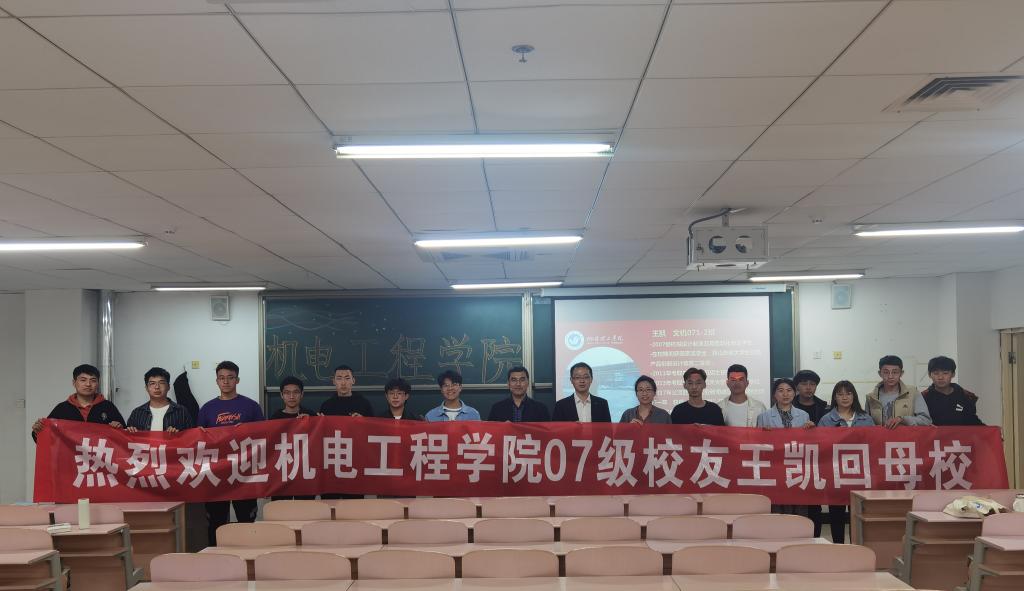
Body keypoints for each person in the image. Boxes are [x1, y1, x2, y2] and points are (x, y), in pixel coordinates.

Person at [197, 361, 264, 547]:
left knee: (246, 520)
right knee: (216, 522)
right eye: (221, 378)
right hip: (216, 473)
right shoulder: (207, 409)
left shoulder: (251, 406)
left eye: (230, 377)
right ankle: (216, 557)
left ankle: (248, 556)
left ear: (238, 380)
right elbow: (198, 441)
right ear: (216, 381)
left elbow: (264, 436)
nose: (226, 382)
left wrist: (248, 430)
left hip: (244, 472)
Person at [817, 381, 874, 543]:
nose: (844, 397)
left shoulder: (866, 419)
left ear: (854, 396)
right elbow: (821, 446)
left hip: (860, 473)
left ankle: (857, 547)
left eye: (848, 393)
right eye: (840, 394)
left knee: (858, 514)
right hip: (835, 473)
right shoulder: (826, 420)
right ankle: (838, 548)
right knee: (836, 514)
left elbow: (874, 445)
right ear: (834, 397)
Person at [31, 364, 125, 441]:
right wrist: (38, 431)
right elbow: (47, 437)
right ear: (74, 383)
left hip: (99, 458)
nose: (88, 384)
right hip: (70, 458)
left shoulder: (108, 407)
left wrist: (119, 427)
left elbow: (124, 437)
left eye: (93, 380)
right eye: (83, 380)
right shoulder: (62, 409)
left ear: (98, 383)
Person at [866, 355, 932, 428]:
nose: (890, 376)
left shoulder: (913, 392)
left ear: (901, 373)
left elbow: (926, 420)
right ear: (880, 373)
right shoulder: (871, 398)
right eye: (886, 372)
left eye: (895, 372)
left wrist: (903, 420)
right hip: (880, 435)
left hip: (906, 435)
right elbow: (866, 424)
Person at [125, 367, 194, 432]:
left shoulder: (181, 412)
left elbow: (190, 437)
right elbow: (128, 437)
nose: (157, 387)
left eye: (161, 383)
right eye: (152, 383)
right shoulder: (137, 413)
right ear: (146, 388)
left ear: (168, 387)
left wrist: (177, 435)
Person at [921, 356, 984, 425]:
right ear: (929, 375)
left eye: (945, 373)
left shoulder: (966, 396)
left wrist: (990, 430)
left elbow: (972, 421)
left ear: (953, 374)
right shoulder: (923, 398)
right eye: (936, 373)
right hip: (934, 432)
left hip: (961, 432)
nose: (940, 377)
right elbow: (920, 423)